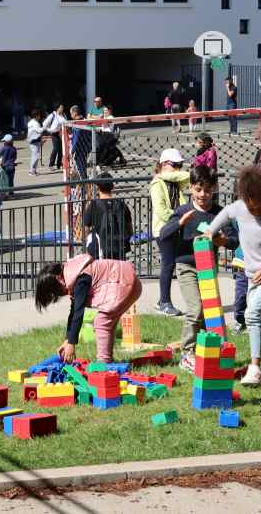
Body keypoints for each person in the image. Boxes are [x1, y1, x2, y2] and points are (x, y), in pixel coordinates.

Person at [204, 165, 261, 385]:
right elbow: (226, 213)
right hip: (250, 274)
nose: (257, 211)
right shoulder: (239, 208)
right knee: (257, 319)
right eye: (252, 207)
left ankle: (255, 367)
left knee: (252, 314)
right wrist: (211, 229)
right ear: (245, 199)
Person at [159, 165, 232, 373]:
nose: (203, 195)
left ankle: (212, 349)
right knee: (195, 309)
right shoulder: (183, 211)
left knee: (211, 312)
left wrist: (223, 240)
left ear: (214, 189)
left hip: (209, 267)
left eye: (208, 190)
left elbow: (233, 240)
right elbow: (163, 235)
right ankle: (187, 353)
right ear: (191, 188)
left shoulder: (219, 213)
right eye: (199, 190)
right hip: (187, 266)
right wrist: (180, 223)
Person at [34, 253, 143, 363]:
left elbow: (78, 312)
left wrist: (72, 344)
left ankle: (104, 363)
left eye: (56, 292)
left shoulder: (80, 280)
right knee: (107, 322)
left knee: (101, 321)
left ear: (58, 279)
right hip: (128, 282)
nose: (60, 295)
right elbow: (73, 313)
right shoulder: (74, 273)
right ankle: (107, 360)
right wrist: (67, 340)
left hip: (124, 283)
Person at [150, 149, 188, 317]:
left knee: (175, 262)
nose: (179, 169)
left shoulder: (172, 181)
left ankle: (162, 301)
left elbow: (189, 176)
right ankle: (164, 302)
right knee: (168, 264)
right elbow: (160, 210)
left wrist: (167, 175)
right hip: (164, 229)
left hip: (176, 226)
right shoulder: (157, 184)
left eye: (180, 165)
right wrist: (176, 220)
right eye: (175, 165)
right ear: (164, 164)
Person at [82, 173, 133, 261]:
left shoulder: (93, 206)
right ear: (112, 187)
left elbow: (85, 229)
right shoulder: (121, 204)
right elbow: (130, 229)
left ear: (97, 188)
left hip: (101, 249)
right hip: (119, 248)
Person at [43, 104, 67, 170]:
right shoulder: (53, 115)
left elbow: (66, 123)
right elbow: (44, 123)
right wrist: (50, 130)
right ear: (57, 108)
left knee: (61, 150)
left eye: (63, 108)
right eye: (61, 107)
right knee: (55, 148)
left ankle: (59, 164)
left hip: (61, 134)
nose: (62, 109)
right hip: (54, 134)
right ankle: (51, 165)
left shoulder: (64, 115)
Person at [26, 110, 45, 176]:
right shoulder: (35, 123)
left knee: (35, 156)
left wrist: (41, 140)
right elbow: (39, 131)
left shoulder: (31, 122)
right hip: (34, 141)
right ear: (36, 116)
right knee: (35, 156)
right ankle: (31, 171)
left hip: (33, 140)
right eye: (39, 115)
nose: (40, 116)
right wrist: (45, 126)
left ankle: (33, 170)